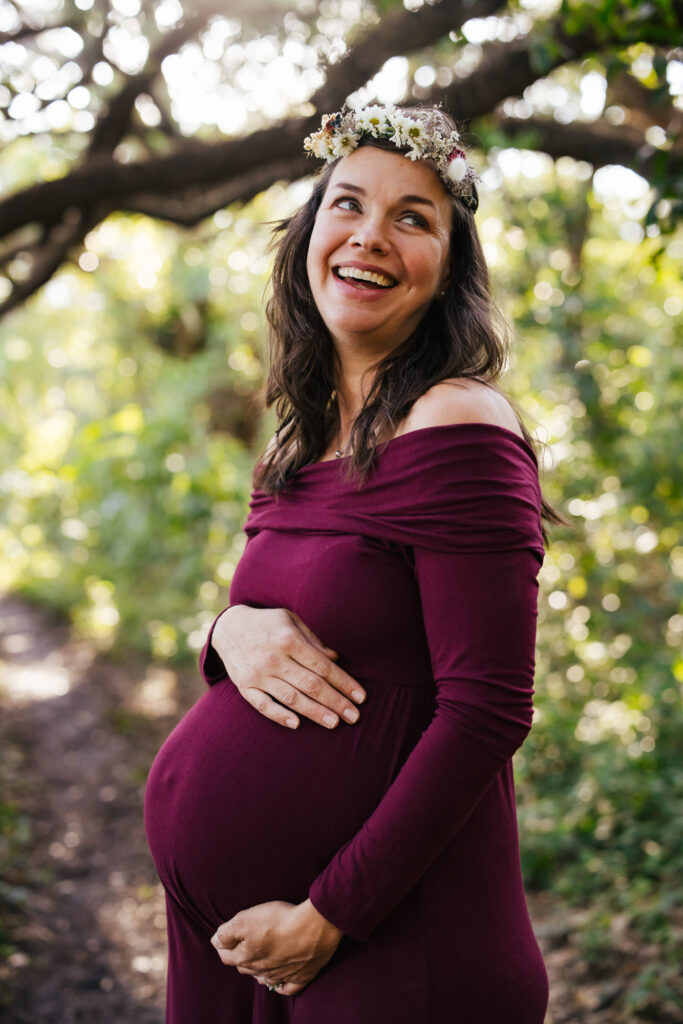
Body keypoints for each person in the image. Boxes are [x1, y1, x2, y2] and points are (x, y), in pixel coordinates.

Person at [144, 103, 564, 1023]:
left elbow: (488, 709)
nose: (370, 236)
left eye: (413, 217)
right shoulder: (294, 448)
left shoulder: (459, 423)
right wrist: (225, 632)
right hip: (233, 950)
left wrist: (331, 914)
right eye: (348, 204)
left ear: (447, 269)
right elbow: (275, 637)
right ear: (309, 235)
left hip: (388, 950)